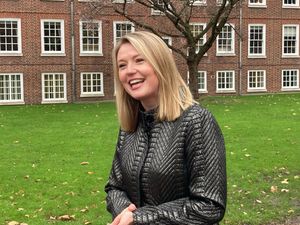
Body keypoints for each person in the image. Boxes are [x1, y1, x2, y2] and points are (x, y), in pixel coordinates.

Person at [105, 31, 227, 225]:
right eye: (122, 65)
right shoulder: (130, 126)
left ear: (160, 64)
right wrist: (124, 213)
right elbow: (114, 187)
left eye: (139, 60)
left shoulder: (196, 121)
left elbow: (209, 205)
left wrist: (139, 218)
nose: (129, 71)